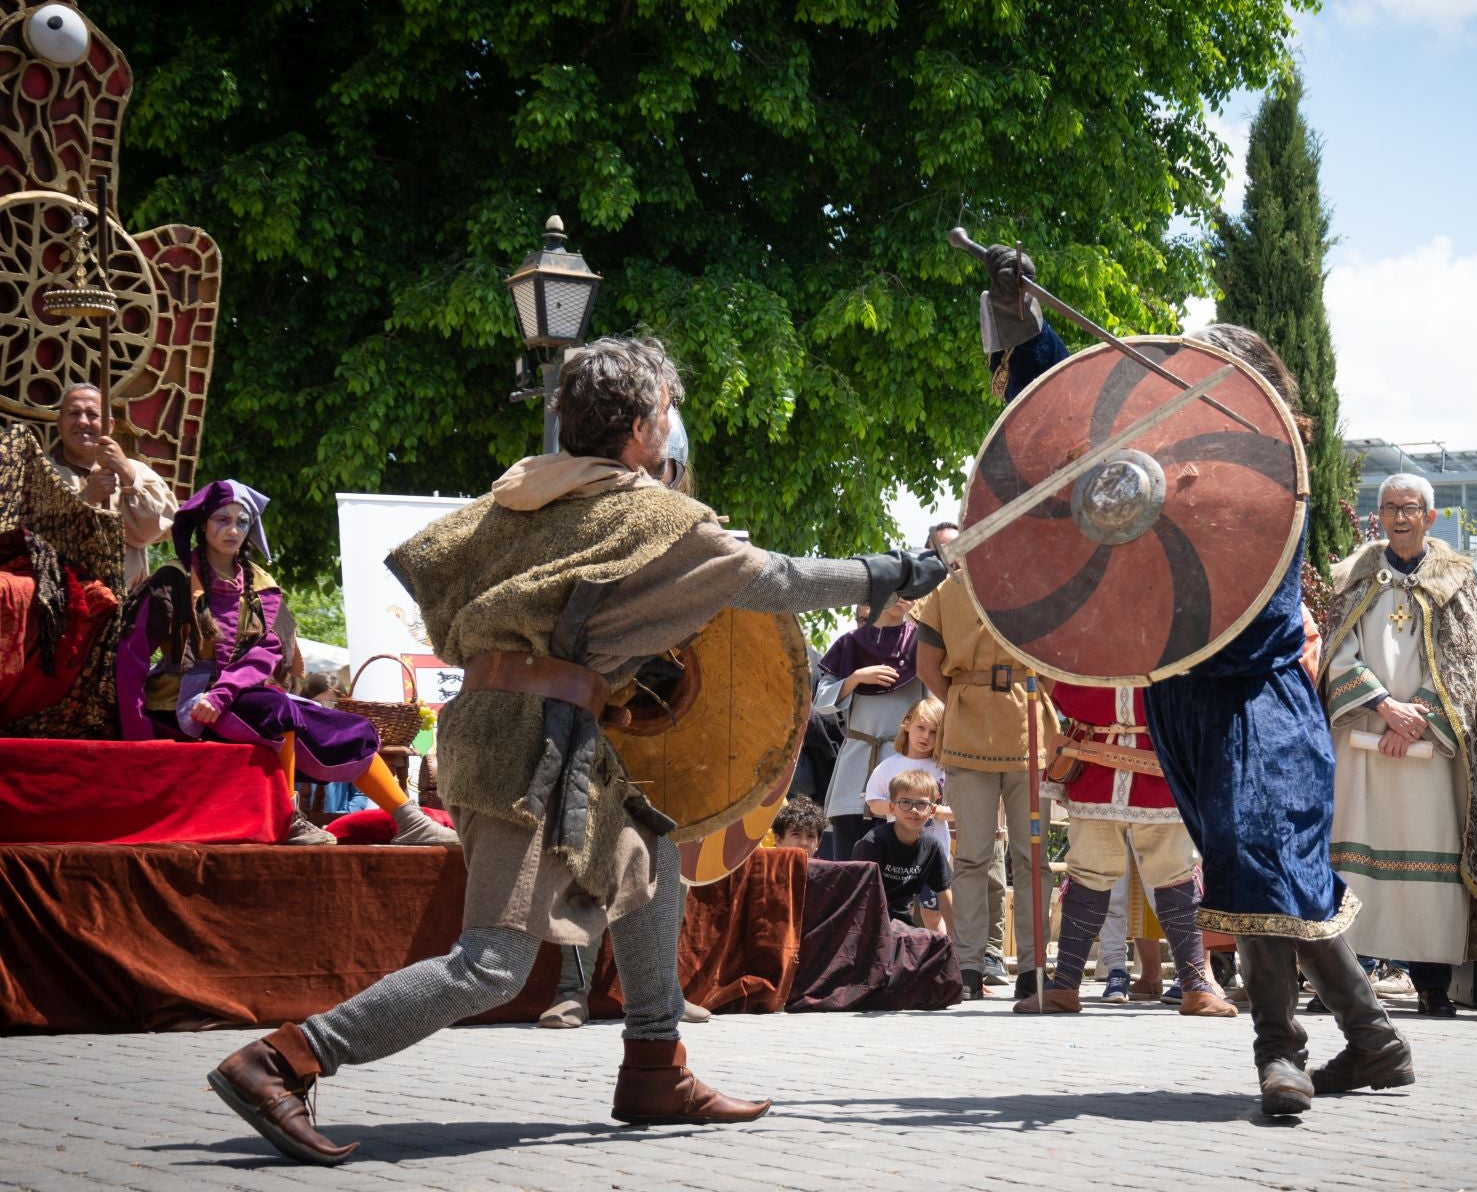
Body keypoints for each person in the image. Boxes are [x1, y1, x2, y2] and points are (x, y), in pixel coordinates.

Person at [203, 335, 948, 1165]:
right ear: (636, 427)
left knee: (649, 854)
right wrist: (889, 571)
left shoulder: (519, 498)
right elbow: (773, 580)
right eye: (665, 412)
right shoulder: (650, 514)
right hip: (534, 742)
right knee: (490, 962)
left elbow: (445, 577)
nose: (670, 428)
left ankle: (656, 1067)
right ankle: (284, 1060)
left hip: (508, 723)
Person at [974, 248, 1409, 1115]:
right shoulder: (1149, 449)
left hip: (1263, 693)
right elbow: (1068, 408)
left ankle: (1279, 1053)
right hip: (1183, 695)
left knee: (1259, 863)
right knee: (1272, 874)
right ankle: (1374, 1039)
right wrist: (1014, 308)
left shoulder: (1269, 466)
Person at [116, 480, 458, 848]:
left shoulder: (262, 584)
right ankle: (287, 819)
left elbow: (267, 651)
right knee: (277, 710)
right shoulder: (172, 578)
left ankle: (411, 821)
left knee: (351, 728)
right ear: (202, 524)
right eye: (222, 519)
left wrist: (222, 693)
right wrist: (136, 737)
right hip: (178, 699)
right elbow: (131, 655)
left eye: (241, 521)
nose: (232, 529)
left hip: (236, 694)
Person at [1319, 473, 1477, 1018]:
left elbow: (1463, 664)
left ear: (1431, 517)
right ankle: (1346, 980)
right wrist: (1385, 709)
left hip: (1431, 749)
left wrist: (1417, 719)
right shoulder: (1355, 579)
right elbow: (1338, 653)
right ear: (1377, 516)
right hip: (1362, 741)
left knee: (1433, 860)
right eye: (1389, 508)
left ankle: (1431, 982)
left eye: (1410, 508)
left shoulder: (1456, 582)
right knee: (1355, 857)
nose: (1399, 517)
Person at [1018, 679, 1235, 1017]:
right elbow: (1056, 678)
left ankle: (1195, 987)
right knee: (1087, 872)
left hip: (1162, 759)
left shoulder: (1177, 626)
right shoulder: (1083, 627)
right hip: (1093, 761)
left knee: (1174, 871)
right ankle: (1064, 985)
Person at [915, 549, 1055, 1002]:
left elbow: (1055, 662)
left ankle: (1034, 966)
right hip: (969, 731)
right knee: (973, 855)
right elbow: (927, 667)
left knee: (1031, 857)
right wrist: (964, 696)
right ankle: (970, 965)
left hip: (1026, 730)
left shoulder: (1042, 585)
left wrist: (1025, 695)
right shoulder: (945, 591)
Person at [815, 596, 925, 859]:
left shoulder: (921, 645)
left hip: (904, 769)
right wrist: (856, 678)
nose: (902, 598)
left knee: (898, 870)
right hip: (856, 766)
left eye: (908, 591)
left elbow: (933, 708)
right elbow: (821, 701)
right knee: (849, 865)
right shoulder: (851, 643)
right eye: (895, 590)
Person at [46, 382, 176, 590]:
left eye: (92, 415)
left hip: (125, 605)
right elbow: (31, 537)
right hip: (59, 602)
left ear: (111, 425)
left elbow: (154, 528)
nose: (82, 421)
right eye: (73, 413)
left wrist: (126, 473)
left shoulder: (137, 472)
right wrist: (86, 498)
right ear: (59, 423)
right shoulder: (38, 473)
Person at [852, 768, 955, 934]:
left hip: (902, 926)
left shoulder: (932, 847)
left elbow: (944, 893)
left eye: (922, 804)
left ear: (931, 811)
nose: (914, 810)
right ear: (892, 808)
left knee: (930, 944)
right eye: (905, 802)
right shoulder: (872, 843)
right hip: (867, 924)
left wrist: (956, 942)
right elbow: (858, 897)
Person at [865, 697, 952, 857]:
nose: (926, 736)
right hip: (896, 849)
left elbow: (960, 811)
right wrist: (900, 808)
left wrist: (934, 810)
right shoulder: (888, 766)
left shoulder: (946, 769)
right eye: (920, 727)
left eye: (934, 732)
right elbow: (873, 803)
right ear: (907, 725)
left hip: (935, 852)